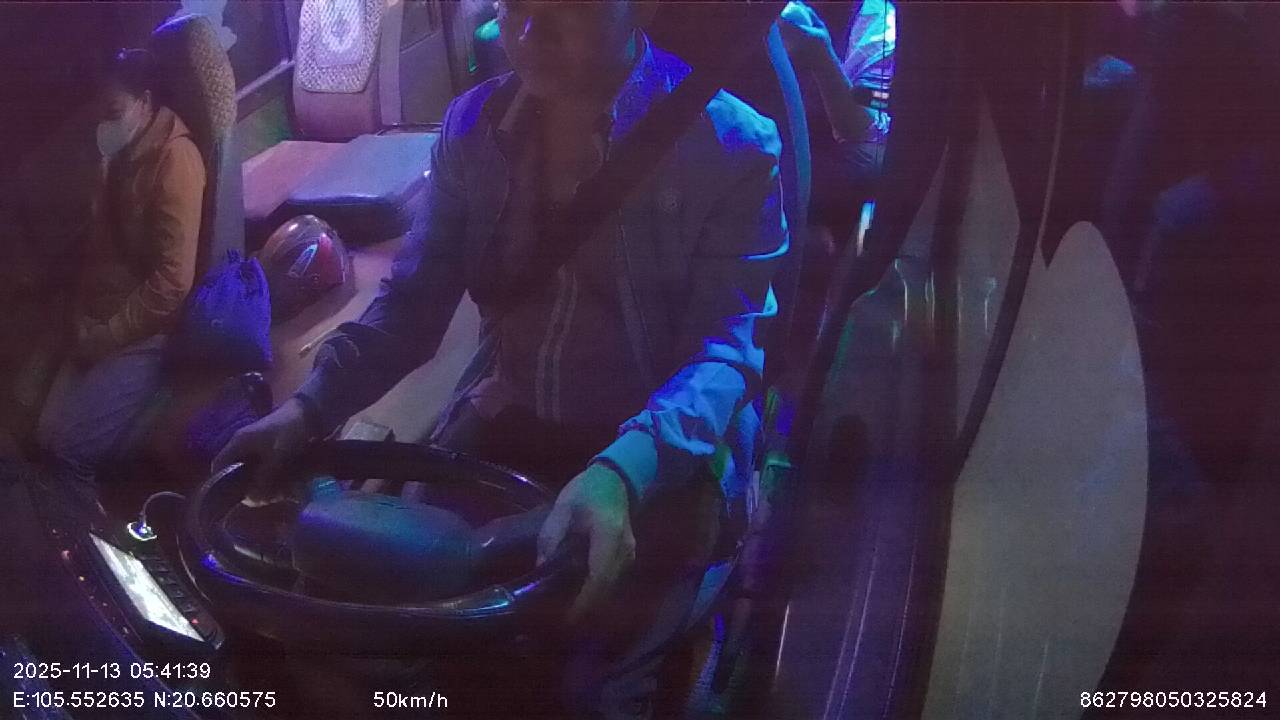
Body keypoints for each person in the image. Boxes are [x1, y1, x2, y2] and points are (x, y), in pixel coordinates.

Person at [213, 1, 787, 716]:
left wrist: (622, 472)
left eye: (568, 8)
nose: (530, 31)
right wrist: (307, 409)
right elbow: (412, 305)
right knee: (389, 639)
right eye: (516, 5)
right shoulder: (472, 130)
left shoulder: (731, 144)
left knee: (593, 693)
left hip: (660, 455)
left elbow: (726, 351)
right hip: (511, 417)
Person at [28, 48, 205, 478]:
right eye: (99, 116)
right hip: (98, 318)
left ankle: (156, 406)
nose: (104, 127)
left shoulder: (174, 161)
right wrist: (81, 318)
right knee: (38, 433)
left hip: (147, 329)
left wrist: (106, 336)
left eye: (113, 113)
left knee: (68, 450)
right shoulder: (117, 158)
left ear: (144, 102)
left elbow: (172, 281)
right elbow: (98, 250)